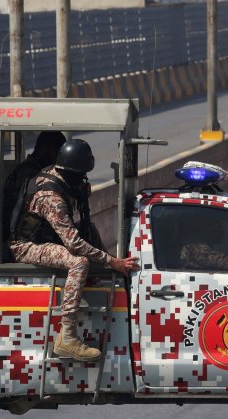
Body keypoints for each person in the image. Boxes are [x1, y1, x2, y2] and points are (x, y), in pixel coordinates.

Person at [10, 139, 140, 361]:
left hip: (44, 237)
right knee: (78, 261)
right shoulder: (51, 197)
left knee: (89, 230)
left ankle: (105, 278)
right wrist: (111, 261)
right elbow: (74, 244)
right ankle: (67, 337)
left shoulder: (60, 177)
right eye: (80, 174)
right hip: (25, 246)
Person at [0, 131, 66, 262]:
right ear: (46, 150)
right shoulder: (30, 174)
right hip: (23, 241)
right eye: (57, 153)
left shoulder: (31, 170)